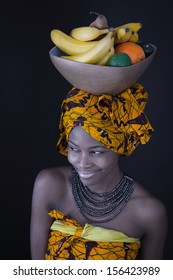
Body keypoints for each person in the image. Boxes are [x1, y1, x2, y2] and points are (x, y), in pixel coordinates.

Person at [30, 84, 167, 260]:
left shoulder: (149, 213)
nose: (82, 162)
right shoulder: (49, 185)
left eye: (96, 152)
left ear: (119, 146)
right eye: (74, 148)